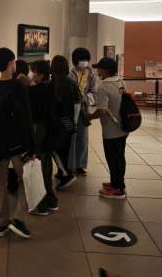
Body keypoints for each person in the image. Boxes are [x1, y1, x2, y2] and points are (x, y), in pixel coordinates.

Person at [0, 47, 34, 239]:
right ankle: (19, 218)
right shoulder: (18, 87)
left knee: (0, 183)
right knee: (28, 179)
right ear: (10, 63)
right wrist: (31, 145)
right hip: (16, 142)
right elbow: (27, 117)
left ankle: (0, 223)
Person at [89, 57, 128, 200]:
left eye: (99, 68)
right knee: (119, 157)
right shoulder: (121, 82)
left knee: (113, 159)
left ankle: (117, 190)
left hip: (111, 130)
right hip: (123, 126)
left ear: (105, 70)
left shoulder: (104, 87)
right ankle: (117, 183)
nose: (97, 71)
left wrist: (89, 117)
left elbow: (102, 111)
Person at [27, 60, 59, 215]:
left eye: (33, 72)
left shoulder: (34, 91)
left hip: (39, 131)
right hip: (50, 132)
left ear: (40, 75)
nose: (31, 75)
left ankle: (41, 204)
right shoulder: (52, 87)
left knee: (37, 167)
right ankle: (51, 199)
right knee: (46, 166)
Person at [51, 55, 82, 190]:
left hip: (57, 122)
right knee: (65, 148)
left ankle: (65, 174)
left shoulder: (53, 84)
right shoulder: (71, 83)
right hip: (68, 121)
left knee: (55, 148)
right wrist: (73, 123)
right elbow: (78, 103)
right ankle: (61, 171)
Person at [69, 47, 98, 176]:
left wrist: (85, 99)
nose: (84, 62)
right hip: (71, 110)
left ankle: (80, 165)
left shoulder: (90, 74)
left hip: (83, 110)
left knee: (82, 138)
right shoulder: (70, 74)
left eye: (86, 59)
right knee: (71, 138)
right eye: (82, 60)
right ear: (75, 61)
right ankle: (70, 165)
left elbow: (94, 92)